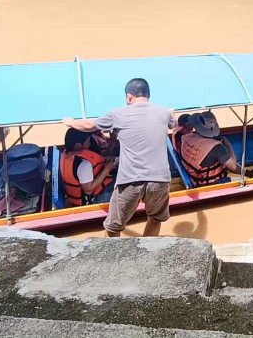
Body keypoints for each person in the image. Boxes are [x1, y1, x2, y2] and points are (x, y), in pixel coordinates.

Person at [63, 78, 175, 237]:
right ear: (148, 94)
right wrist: (171, 113)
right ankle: (146, 253)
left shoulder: (117, 114)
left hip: (130, 180)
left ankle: (118, 257)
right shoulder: (163, 112)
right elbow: (173, 124)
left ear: (129, 97)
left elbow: (88, 126)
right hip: (160, 180)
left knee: (113, 227)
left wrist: (70, 122)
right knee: (155, 219)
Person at [178, 111, 253, 186]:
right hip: (207, 183)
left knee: (224, 161)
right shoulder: (216, 147)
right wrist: (228, 145)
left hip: (192, 177)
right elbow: (232, 166)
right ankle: (251, 175)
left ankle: (250, 173)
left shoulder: (187, 137)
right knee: (246, 181)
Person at [59, 128, 116, 207]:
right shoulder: (83, 163)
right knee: (122, 180)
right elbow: (88, 190)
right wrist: (107, 169)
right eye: (87, 142)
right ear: (78, 145)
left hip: (75, 200)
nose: (89, 144)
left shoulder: (65, 155)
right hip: (92, 201)